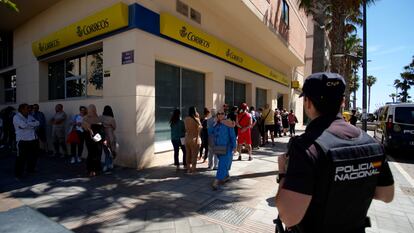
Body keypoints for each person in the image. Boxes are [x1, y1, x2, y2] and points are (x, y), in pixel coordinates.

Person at [275, 72, 394, 233]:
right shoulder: (372, 144)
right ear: (342, 102)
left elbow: (288, 217)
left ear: (308, 103)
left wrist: (283, 172)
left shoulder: (306, 147)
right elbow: (387, 195)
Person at [210, 108, 236, 190]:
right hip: (218, 148)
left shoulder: (228, 123)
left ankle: (216, 181)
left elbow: (232, 136)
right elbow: (211, 133)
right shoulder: (216, 124)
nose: (220, 115)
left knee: (222, 164)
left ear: (225, 115)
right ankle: (227, 176)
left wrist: (234, 146)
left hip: (227, 148)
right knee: (224, 164)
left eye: (222, 113)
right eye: (219, 113)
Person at [13, 103, 40, 178]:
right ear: (22, 109)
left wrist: (27, 124)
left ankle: (30, 169)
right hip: (22, 140)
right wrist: (31, 124)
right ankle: (18, 173)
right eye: (27, 108)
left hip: (33, 139)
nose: (29, 110)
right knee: (21, 157)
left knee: (33, 156)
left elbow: (38, 123)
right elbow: (22, 125)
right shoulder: (16, 117)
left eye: (29, 108)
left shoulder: (30, 116)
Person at [82, 104, 104, 177]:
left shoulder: (98, 118)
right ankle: (91, 170)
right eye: (91, 109)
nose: (92, 111)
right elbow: (85, 128)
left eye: (93, 109)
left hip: (97, 138)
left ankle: (95, 169)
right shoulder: (86, 118)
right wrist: (91, 133)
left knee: (97, 153)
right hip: (90, 139)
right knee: (92, 153)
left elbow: (101, 129)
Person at [184, 106, 202, 174]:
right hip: (195, 139)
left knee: (188, 154)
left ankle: (188, 169)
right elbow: (200, 129)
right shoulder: (196, 119)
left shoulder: (186, 119)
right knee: (194, 155)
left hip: (187, 138)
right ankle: (193, 169)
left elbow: (186, 129)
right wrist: (198, 117)